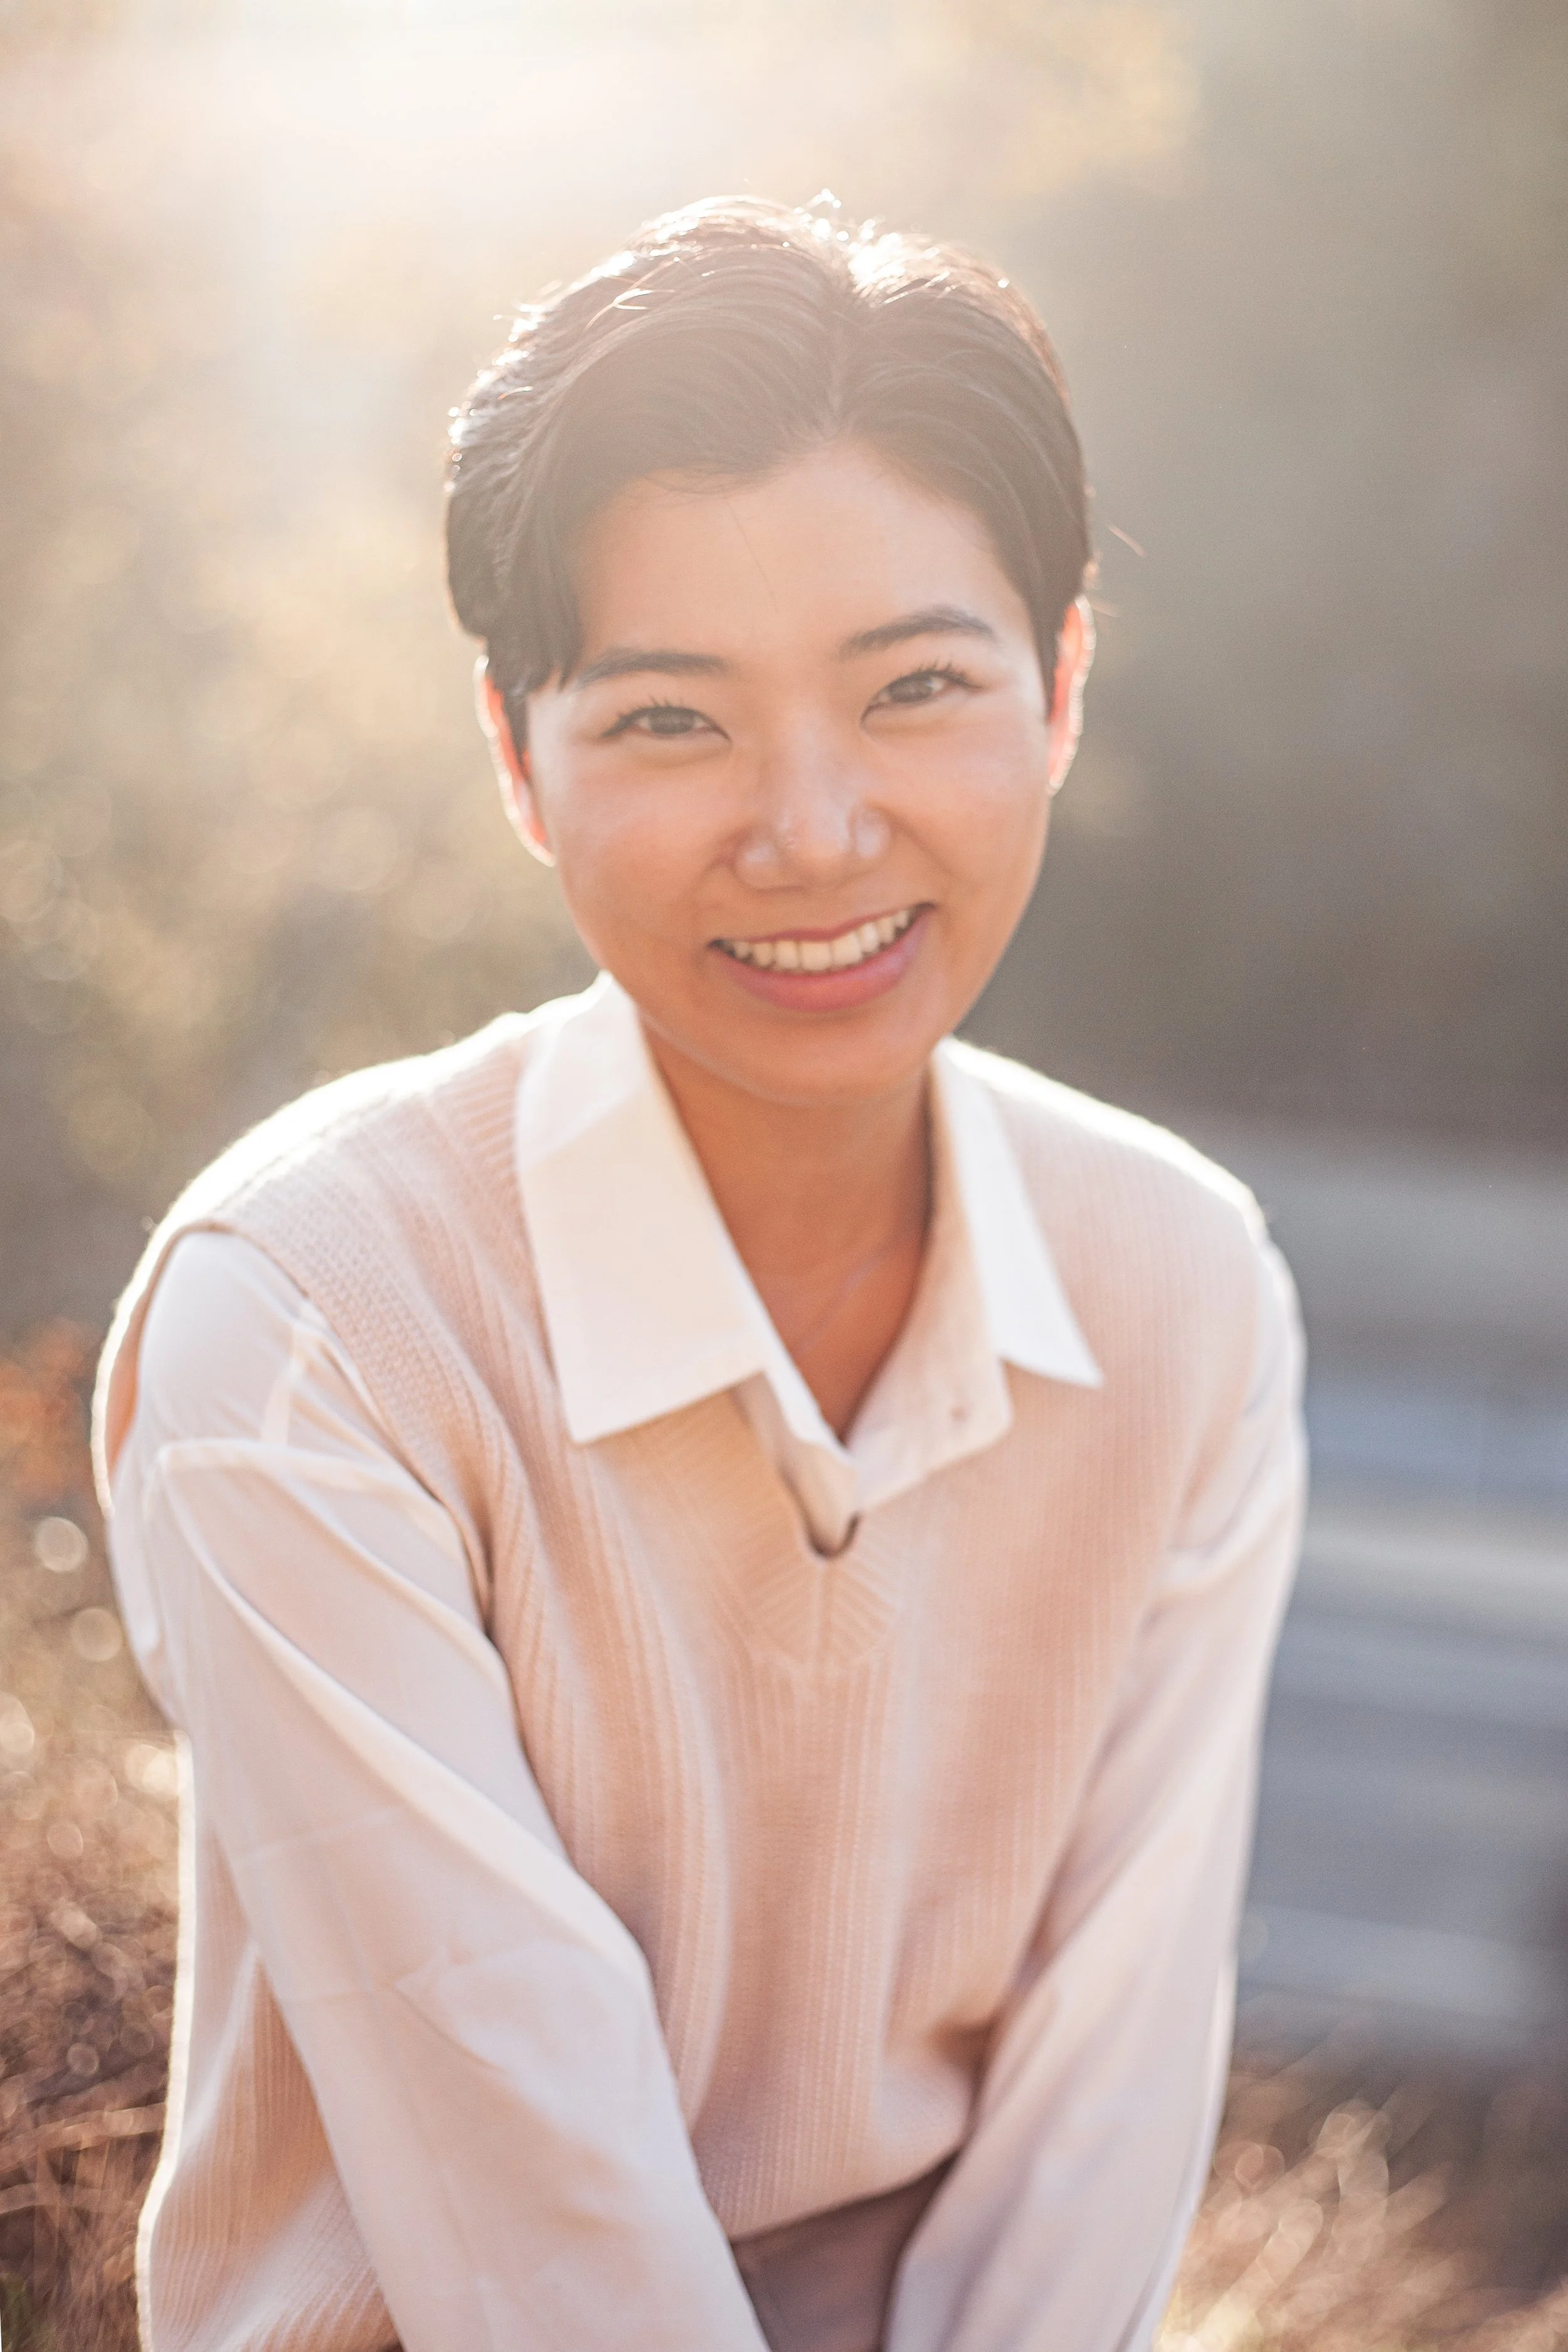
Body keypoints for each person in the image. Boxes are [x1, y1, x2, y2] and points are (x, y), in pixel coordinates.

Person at [94, 195, 1305, 2352]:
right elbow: (534, 2223)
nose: (814, 829)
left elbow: (1091, 2137)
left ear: (1059, 690)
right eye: (672, 722)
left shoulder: (1178, 1286)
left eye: (916, 687)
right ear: (513, 761)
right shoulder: (303, 1319)